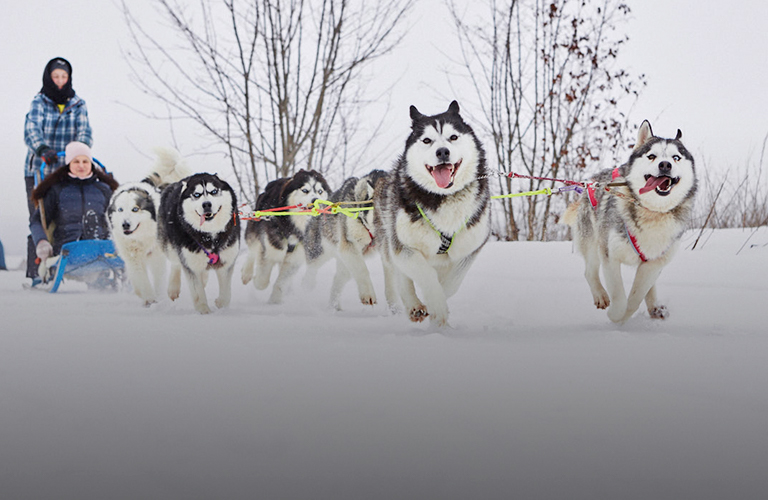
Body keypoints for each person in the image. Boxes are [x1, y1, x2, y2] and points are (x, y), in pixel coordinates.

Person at [23, 57, 93, 282]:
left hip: (67, 170)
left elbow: (85, 133)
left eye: (64, 77)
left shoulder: (78, 103)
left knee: (65, 216)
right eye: (56, 76)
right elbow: (31, 128)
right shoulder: (39, 102)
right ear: (49, 77)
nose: (60, 81)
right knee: (41, 216)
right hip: (40, 169)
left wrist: (77, 153)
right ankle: (37, 270)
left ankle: (68, 265)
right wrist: (43, 148)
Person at [29, 142, 118, 285]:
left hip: (100, 251)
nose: (81, 165)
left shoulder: (104, 190)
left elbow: (116, 221)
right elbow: (37, 221)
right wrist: (41, 241)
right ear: (69, 164)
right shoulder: (57, 190)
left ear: (91, 164)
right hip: (67, 252)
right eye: (76, 161)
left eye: (85, 161)